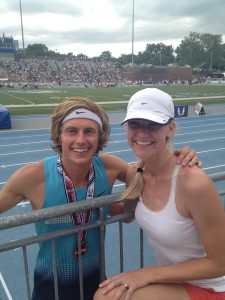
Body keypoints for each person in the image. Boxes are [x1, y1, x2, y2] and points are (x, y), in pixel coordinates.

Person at [0, 96, 200, 300]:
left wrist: (179, 158)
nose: (81, 140)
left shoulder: (109, 167)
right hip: (50, 286)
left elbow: (142, 179)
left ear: (99, 137)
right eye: (71, 131)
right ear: (59, 135)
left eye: (89, 131)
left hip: (97, 282)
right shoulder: (32, 177)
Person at [94, 88, 225, 300]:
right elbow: (126, 213)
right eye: (135, 124)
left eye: (153, 124)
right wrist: (90, 198)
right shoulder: (136, 174)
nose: (142, 133)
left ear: (170, 129)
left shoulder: (193, 183)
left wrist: (146, 274)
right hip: (175, 284)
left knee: (107, 297)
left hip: (213, 289)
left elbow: (220, 263)